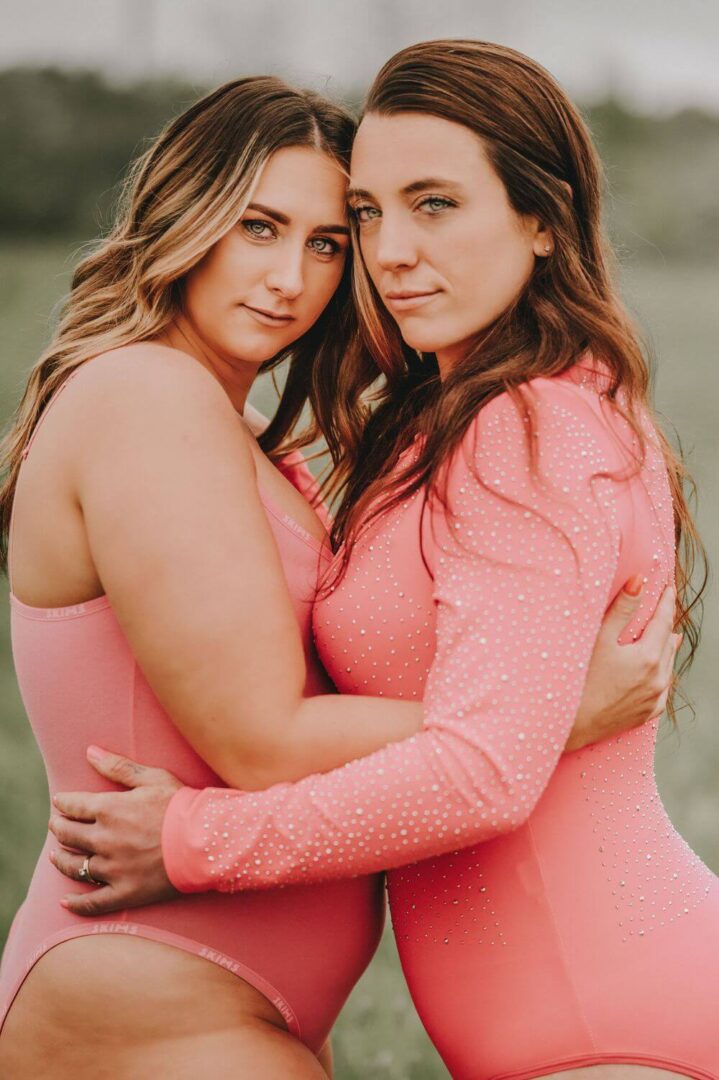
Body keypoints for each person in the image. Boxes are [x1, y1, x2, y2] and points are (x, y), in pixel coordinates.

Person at [46, 41, 716, 1080]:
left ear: (540, 219)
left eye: (434, 204)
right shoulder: (432, 430)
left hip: (615, 1024)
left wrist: (192, 842)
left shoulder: (526, 424)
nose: (389, 250)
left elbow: (487, 772)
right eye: (367, 215)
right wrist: (551, 716)